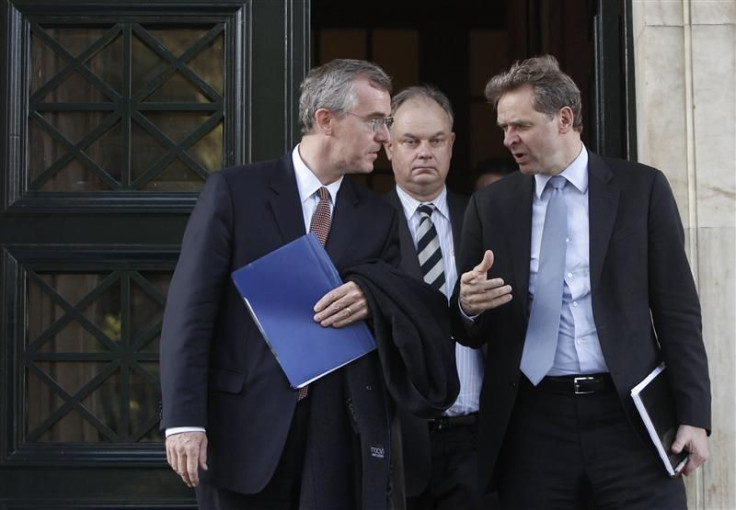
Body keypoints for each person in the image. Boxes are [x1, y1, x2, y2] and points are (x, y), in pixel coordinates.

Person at [160, 59, 458, 510]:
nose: (384, 136)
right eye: (376, 121)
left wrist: (371, 295)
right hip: (241, 431)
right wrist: (183, 420)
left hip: (338, 437)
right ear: (326, 120)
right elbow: (190, 313)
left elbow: (406, 304)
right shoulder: (236, 192)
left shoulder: (379, 217)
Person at [452, 55, 710, 509]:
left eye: (520, 126)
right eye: (504, 128)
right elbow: (468, 326)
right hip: (533, 423)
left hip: (627, 416)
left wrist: (693, 416)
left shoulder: (641, 189)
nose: (508, 139)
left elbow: (677, 309)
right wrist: (469, 305)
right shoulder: (490, 206)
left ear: (564, 119)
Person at [383, 85, 483, 509]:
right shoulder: (366, 226)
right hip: (401, 441)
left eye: (436, 141)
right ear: (388, 146)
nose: (424, 152)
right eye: (410, 141)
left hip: (478, 440)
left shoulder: (485, 217)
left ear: (452, 145)